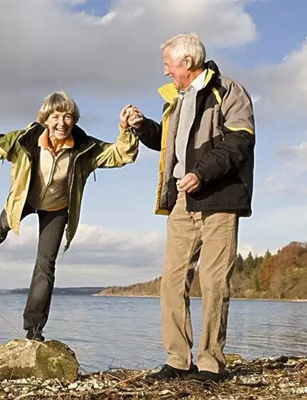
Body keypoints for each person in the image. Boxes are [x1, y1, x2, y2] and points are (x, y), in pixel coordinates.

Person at [0, 91, 139, 341]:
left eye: (67, 116)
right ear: (45, 119)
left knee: (46, 266)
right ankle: (5, 222)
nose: (62, 123)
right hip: (25, 200)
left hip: (57, 209)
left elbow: (122, 154)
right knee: (10, 216)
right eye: (55, 116)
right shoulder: (24, 140)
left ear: (74, 120)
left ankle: (34, 329)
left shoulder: (85, 148)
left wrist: (126, 129)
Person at [123, 33, 255, 383]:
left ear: (187, 63)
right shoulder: (178, 99)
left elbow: (240, 141)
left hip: (221, 197)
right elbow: (169, 145)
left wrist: (201, 173)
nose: (165, 71)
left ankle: (211, 364)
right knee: (172, 280)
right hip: (183, 199)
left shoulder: (229, 91)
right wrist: (142, 126)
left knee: (213, 281)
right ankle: (178, 361)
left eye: (168, 64)